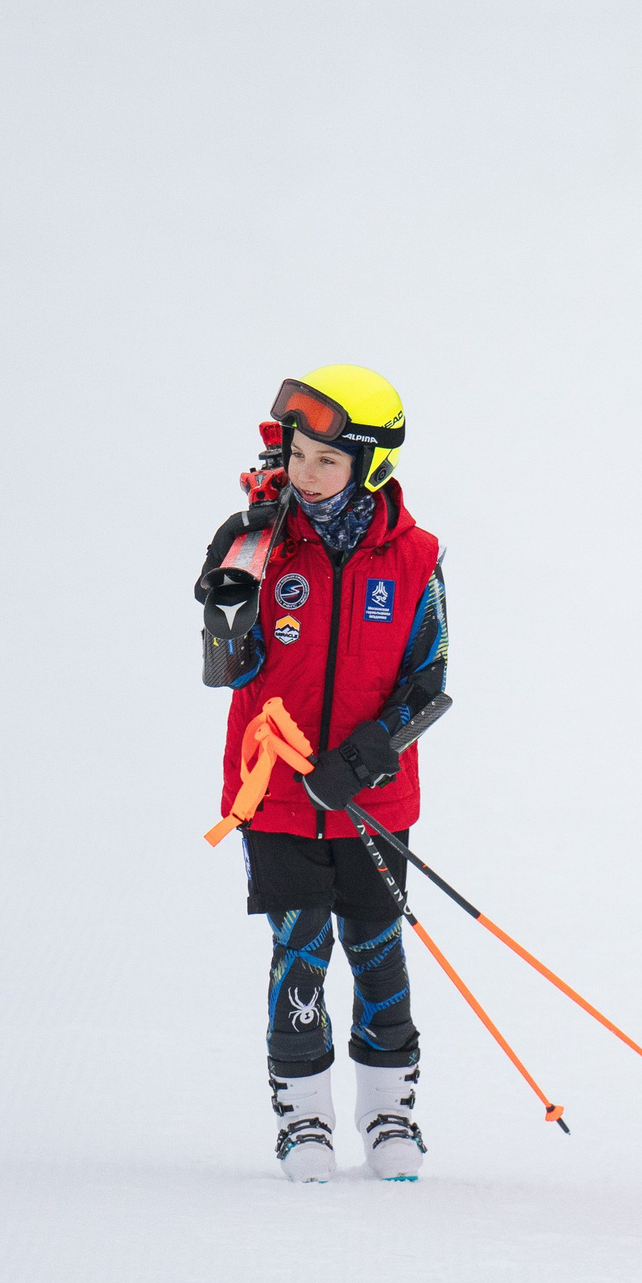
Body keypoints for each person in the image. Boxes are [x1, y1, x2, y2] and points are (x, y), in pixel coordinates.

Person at [209, 366, 448, 1183]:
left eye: (327, 462)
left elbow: (431, 679)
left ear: (371, 467)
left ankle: (390, 1111)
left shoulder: (417, 559)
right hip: (275, 794)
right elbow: (226, 672)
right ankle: (302, 1119)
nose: (306, 475)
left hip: (372, 798)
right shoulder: (263, 541)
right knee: (299, 946)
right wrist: (227, 592)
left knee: (378, 948)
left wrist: (367, 755)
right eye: (298, 455)